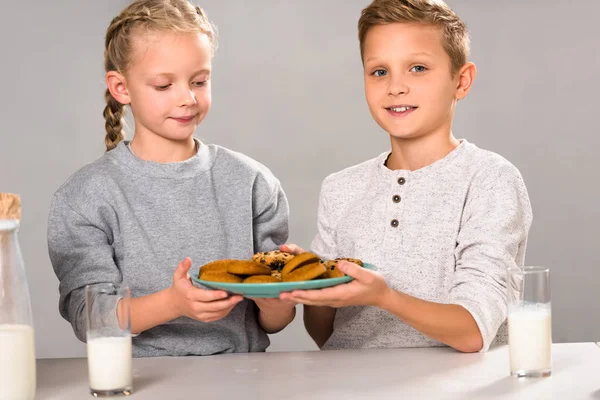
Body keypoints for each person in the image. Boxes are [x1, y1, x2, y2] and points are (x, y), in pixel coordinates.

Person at [280, 0, 532, 353]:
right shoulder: (341, 187)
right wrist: (312, 280)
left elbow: (475, 330)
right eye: (379, 71)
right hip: (351, 386)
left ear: (462, 81)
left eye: (417, 68)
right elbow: (329, 335)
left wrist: (385, 297)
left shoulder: (490, 180)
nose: (395, 86)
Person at [48, 0, 295, 357]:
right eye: (164, 85)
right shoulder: (86, 196)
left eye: (200, 80)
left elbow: (273, 321)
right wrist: (173, 303)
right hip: (135, 382)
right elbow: (89, 319)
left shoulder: (251, 182)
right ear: (121, 88)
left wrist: (280, 295)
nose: (188, 98)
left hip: (244, 380)